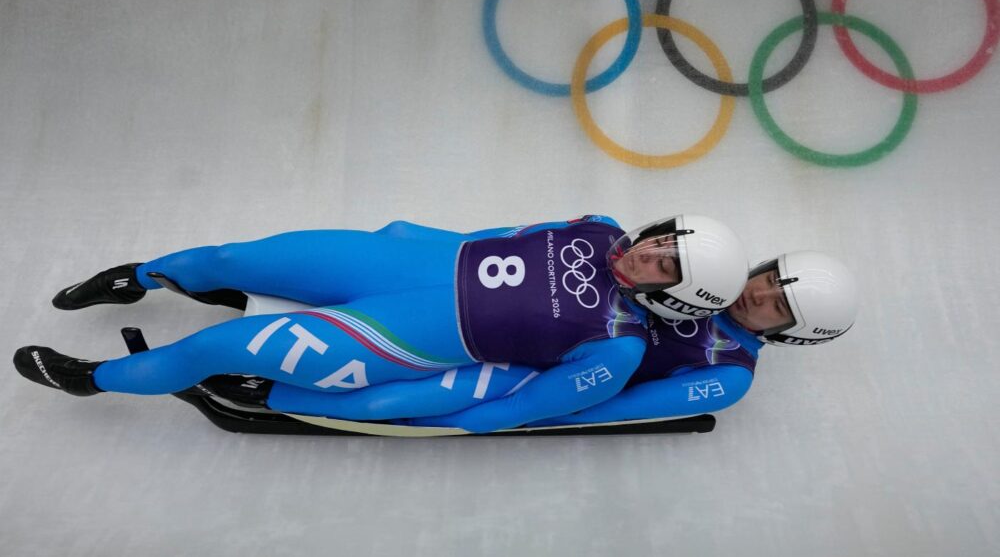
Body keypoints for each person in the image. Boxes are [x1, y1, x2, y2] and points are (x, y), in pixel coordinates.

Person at [13, 214, 750, 432]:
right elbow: (501, 236)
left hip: (403, 340)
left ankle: (91, 380)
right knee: (232, 255)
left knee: (213, 347)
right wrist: (412, 237)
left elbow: (530, 408)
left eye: (664, 266)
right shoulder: (599, 227)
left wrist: (448, 414)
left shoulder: (617, 350)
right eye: (662, 239)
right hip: (393, 269)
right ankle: (137, 277)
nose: (648, 252)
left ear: (674, 301)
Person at [197, 249, 858, 428]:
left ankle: (276, 396)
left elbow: (612, 406)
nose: (757, 295)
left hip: (541, 370)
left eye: (775, 307)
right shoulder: (707, 267)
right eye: (769, 281)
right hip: (511, 316)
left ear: (792, 336)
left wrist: (515, 414)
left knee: (399, 401)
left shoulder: (732, 373)